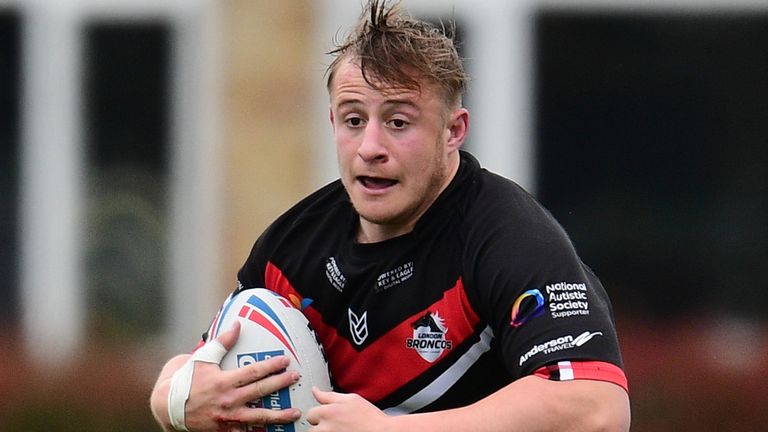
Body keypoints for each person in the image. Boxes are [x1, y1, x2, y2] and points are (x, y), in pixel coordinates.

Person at [150, 1, 631, 431]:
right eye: (354, 120)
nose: (371, 148)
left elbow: (596, 407)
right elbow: (200, 366)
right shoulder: (292, 249)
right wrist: (174, 399)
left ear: (453, 130)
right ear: (332, 122)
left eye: (398, 122)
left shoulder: (508, 237)